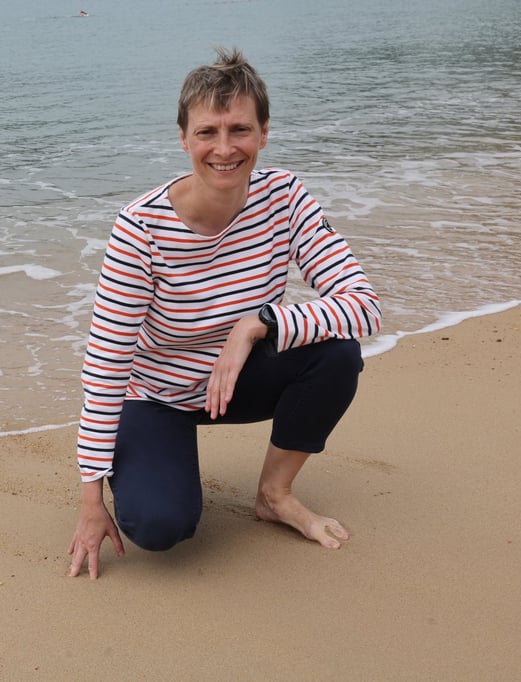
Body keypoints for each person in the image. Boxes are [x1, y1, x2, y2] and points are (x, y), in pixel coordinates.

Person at [68, 47, 382, 579]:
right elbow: (106, 364)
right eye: (207, 132)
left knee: (337, 354)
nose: (224, 148)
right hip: (157, 393)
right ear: (183, 139)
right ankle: (150, 464)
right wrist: (90, 499)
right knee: (159, 528)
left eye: (239, 130)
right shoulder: (140, 230)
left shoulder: (285, 198)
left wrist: (256, 324)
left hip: (238, 379)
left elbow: (364, 306)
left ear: (263, 133)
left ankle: (275, 495)